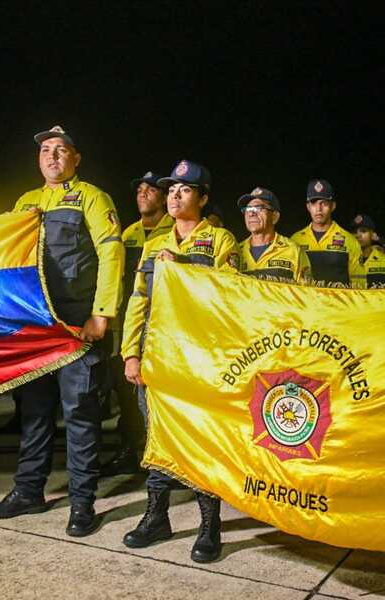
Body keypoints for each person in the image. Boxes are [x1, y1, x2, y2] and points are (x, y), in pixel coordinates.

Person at [0, 126, 124, 539]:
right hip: (36, 326)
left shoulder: (93, 198)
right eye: (45, 150)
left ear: (75, 158)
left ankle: (82, 503)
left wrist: (102, 314)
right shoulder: (26, 202)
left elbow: (111, 252)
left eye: (61, 150)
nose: (52, 157)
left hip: (78, 324)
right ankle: (29, 491)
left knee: (80, 412)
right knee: (34, 410)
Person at [120, 159, 238, 563]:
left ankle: (210, 525)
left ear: (203, 199)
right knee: (157, 438)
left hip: (200, 360)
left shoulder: (221, 242)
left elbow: (228, 297)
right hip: (157, 357)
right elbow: (139, 300)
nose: (174, 194)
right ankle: (156, 517)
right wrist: (130, 353)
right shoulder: (153, 244)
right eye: (171, 188)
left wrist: (182, 266)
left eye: (185, 190)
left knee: (202, 440)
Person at [101, 171, 174, 476]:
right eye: (139, 189)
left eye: (150, 189)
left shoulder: (177, 231)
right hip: (129, 321)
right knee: (125, 391)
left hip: (165, 327)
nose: (142, 193)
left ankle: (164, 459)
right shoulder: (128, 233)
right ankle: (130, 449)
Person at [291, 179, 363, 286]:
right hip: (306, 302)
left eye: (323, 203)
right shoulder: (295, 240)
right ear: (308, 207)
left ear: (332, 206)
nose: (318, 209)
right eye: (314, 203)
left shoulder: (350, 241)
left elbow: (360, 284)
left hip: (338, 302)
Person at [235, 186, 311, 281]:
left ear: (274, 216)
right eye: (248, 209)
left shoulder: (294, 251)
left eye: (259, 208)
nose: (251, 214)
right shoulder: (236, 251)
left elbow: (307, 292)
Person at [350, 214, 385, 287]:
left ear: (372, 234)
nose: (358, 235)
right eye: (354, 232)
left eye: (363, 231)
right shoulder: (346, 261)